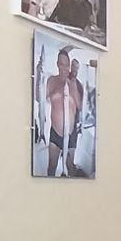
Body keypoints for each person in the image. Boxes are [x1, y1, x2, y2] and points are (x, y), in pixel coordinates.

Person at [43, 45, 85, 177]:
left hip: (70, 134)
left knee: (70, 167)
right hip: (55, 133)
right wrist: (38, 75)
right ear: (57, 64)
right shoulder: (51, 81)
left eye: (67, 65)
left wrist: (73, 84)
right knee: (51, 166)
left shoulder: (76, 84)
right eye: (61, 64)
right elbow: (40, 99)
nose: (64, 68)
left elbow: (80, 107)